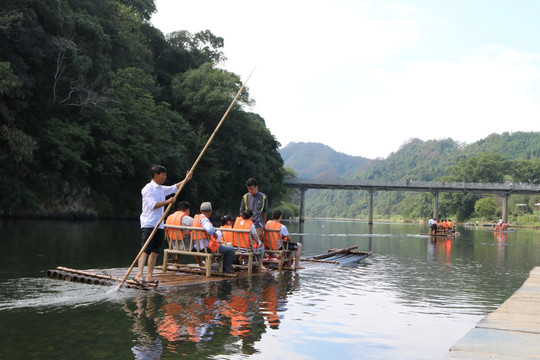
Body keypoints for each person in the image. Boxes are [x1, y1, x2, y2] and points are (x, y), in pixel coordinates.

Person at [137, 165, 192, 283]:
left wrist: (186, 179)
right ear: (156, 175)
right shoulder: (148, 189)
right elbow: (153, 205)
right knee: (145, 249)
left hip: (159, 223)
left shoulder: (161, 188)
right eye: (164, 175)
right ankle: (139, 274)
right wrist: (168, 201)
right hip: (149, 223)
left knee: (156, 250)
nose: (165, 177)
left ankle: (149, 276)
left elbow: (174, 188)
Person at [193, 202, 236, 274]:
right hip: (208, 247)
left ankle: (215, 266)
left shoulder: (196, 218)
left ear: (201, 211)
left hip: (198, 246)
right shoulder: (204, 220)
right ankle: (224, 269)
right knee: (231, 250)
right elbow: (209, 229)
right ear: (210, 211)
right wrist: (214, 233)